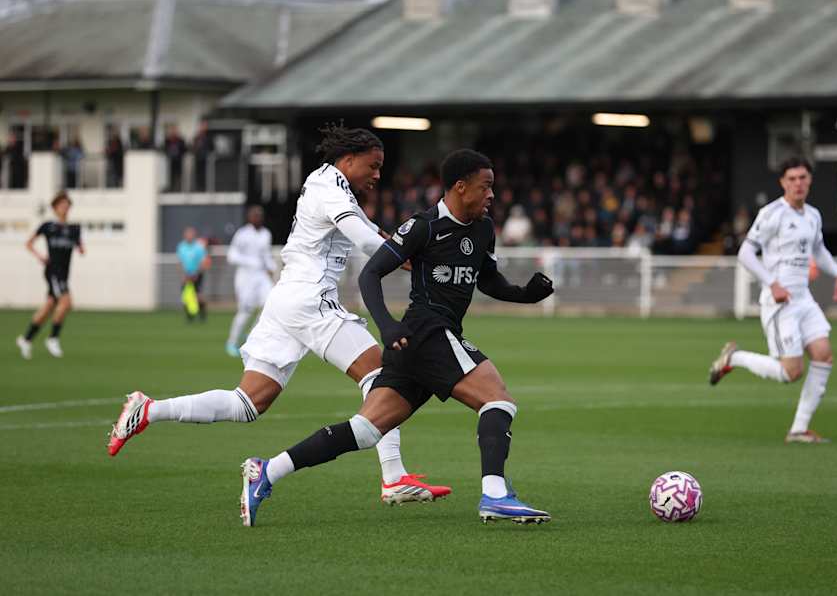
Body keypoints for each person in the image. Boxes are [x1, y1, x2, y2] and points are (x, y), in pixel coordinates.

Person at [106, 124, 450, 508]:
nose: (377, 174)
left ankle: (149, 410)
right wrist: (413, 259)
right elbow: (368, 241)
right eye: (373, 165)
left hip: (286, 299)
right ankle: (393, 477)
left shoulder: (330, 186)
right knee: (382, 375)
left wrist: (415, 258)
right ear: (349, 159)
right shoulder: (330, 189)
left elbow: (376, 234)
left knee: (248, 402)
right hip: (309, 300)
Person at [238, 149, 555, 527]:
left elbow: (487, 279)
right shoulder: (424, 226)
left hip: (420, 343)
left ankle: (267, 471)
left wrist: (524, 294)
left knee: (365, 430)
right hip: (425, 331)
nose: (491, 195)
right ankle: (496, 494)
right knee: (497, 400)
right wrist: (386, 325)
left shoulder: (483, 228)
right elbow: (370, 274)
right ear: (460, 186)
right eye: (485, 186)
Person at [708, 157, 837, 444]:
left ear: (809, 180)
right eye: (792, 179)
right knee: (791, 372)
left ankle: (798, 430)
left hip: (803, 299)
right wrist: (772, 283)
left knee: (823, 354)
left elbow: (818, 249)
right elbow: (745, 253)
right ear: (783, 182)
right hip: (780, 303)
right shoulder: (772, 214)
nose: (798, 183)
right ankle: (734, 358)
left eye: (803, 178)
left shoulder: (813, 215)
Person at [16, 191, 85, 359]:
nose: (65, 208)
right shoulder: (48, 226)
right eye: (62, 205)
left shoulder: (74, 229)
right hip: (53, 271)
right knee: (66, 302)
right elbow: (29, 243)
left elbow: (80, 247)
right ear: (55, 208)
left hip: (64, 273)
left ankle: (26, 339)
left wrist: (81, 248)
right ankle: (53, 338)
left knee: (48, 306)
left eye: (67, 205)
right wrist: (40, 256)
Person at [225, 206, 275, 357]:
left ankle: (251, 335)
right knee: (245, 311)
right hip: (245, 277)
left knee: (270, 305)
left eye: (260, 215)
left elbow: (266, 255)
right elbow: (231, 255)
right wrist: (250, 261)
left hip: (261, 276)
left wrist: (271, 266)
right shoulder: (242, 234)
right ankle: (232, 342)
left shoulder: (266, 234)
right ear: (249, 217)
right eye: (255, 215)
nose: (257, 218)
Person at [176, 227, 208, 322]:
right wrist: (183, 274)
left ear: (194, 235)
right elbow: (180, 261)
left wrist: (197, 273)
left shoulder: (199, 247)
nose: (189, 236)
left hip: (197, 274)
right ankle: (190, 316)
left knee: (198, 296)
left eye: (191, 234)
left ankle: (202, 314)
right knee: (187, 296)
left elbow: (203, 262)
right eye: (187, 234)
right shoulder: (181, 246)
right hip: (186, 275)